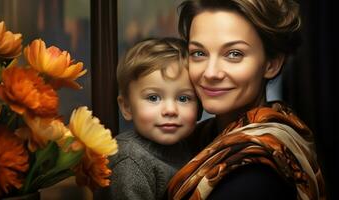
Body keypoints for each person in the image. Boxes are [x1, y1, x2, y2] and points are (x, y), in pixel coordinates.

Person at [165, 0, 326, 199]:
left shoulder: (254, 177)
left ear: (271, 64)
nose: (210, 72)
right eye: (199, 53)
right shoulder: (198, 139)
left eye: (234, 54)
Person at [94, 37, 199, 200]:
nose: (170, 110)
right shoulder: (130, 160)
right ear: (127, 107)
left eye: (183, 98)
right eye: (153, 98)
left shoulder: (189, 146)